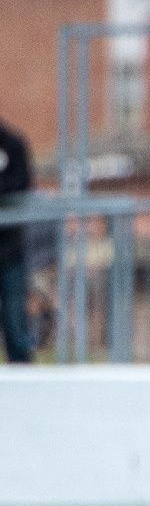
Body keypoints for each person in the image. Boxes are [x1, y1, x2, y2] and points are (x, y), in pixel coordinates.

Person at [0, 117, 33, 364]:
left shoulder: (12, 144)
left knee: (14, 314)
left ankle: (21, 368)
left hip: (10, 249)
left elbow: (22, 182)